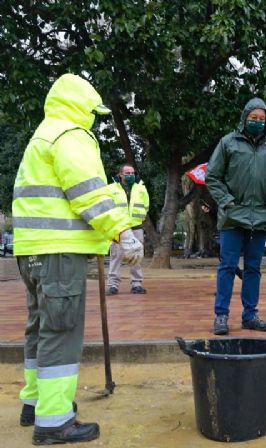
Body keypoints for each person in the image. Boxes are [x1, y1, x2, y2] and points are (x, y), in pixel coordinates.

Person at [11, 74, 143, 445]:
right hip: (58, 252)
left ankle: (34, 403)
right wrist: (122, 232)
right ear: (81, 107)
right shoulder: (71, 135)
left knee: (40, 328)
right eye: (94, 113)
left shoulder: (43, 135)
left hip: (31, 250)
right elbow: (88, 193)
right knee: (61, 332)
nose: (95, 121)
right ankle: (54, 421)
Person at [206, 97, 266, 335]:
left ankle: (250, 314)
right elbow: (212, 176)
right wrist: (227, 202)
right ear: (245, 117)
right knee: (227, 267)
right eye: (254, 118)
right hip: (232, 218)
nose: (258, 122)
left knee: (253, 269)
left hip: (260, 219)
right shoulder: (228, 143)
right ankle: (221, 316)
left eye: (262, 119)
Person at [106, 163, 149, 295]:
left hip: (136, 226)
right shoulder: (111, 188)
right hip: (119, 227)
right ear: (120, 174)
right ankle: (113, 285)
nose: (130, 175)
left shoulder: (140, 188)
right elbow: (107, 206)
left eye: (132, 173)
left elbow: (146, 205)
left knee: (136, 256)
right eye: (127, 173)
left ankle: (136, 284)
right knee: (116, 256)